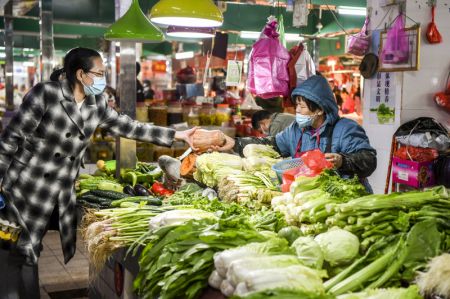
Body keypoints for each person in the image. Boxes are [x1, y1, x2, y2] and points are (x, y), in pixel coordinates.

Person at [0, 47, 197, 298]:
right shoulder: (45, 94)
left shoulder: (97, 102)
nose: (103, 78)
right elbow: (9, 140)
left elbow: (129, 127)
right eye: (100, 73)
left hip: (59, 191)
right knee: (18, 253)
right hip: (26, 186)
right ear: (81, 74)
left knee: (30, 250)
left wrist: (178, 135)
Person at [216, 75, 377, 191]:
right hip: (312, 196)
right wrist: (236, 143)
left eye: (302, 107)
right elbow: (272, 144)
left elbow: (369, 160)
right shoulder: (296, 130)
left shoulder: (345, 129)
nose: (297, 111)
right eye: (297, 105)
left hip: (347, 199)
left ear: (320, 109)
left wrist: (343, 161)